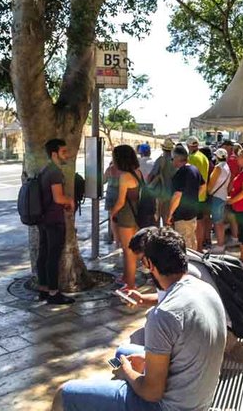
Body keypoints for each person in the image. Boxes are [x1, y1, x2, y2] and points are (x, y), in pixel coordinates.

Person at [52, 227, 227, 411]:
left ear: (149, 264)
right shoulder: (205, 288)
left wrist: (127, 371)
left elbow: (152, 393)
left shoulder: (163, 315)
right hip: (199, 396)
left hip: (170, 407)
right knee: (122, 353)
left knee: (64, 394)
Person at [37, 139, 76, 305]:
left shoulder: (44, 170)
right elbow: (58, 197)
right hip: (54, 220)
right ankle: (54, 293)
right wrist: (70, 201)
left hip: (44, 219)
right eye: (63, 151)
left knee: (44, 254)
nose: (66, 154)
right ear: (54, 153)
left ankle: (44, 289)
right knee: (53, 256)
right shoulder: (54, 172)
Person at [110, 144, 146, 291]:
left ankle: (130, 285)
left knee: (128, 250)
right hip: (137, 213)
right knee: (129, 249)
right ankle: (126, 277)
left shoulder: (125, 176)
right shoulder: (138, 172)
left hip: (126, 216)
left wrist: (112, 213)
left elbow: (120, 201)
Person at [167, 145, 205, 250]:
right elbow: (203, 185)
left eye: (172, 159)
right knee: (192, 239)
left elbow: (177, 195)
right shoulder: (194, 169)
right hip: (193, 211)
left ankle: (188, 265)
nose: (171, 161)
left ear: (177, 158)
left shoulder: (181, 173)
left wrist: (170, 214)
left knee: (184, 243)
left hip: (183, 214)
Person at [186, 136, 209, 251]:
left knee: (194, 225)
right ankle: (200, 247)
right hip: (203, 195)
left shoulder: (192, 158)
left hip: (195, 196)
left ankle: (196, 249)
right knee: (201, 223)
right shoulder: (204, 157)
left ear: (188, 146)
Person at [206, 149, 230, 253]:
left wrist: (207, 192)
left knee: (217, 222)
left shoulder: (218, 168)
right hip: (223, 195)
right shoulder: (226, 166)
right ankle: (221, 243)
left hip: (217, 197)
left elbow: (211, 185)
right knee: (220, 221)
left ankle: (220, 244)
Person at [147, 138, 176, 226]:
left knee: (156, 219)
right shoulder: (175, 161)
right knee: (167, 220)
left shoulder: (160, 160)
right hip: (171, 195)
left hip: (159, 194)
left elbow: (151, 175)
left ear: (163, 149)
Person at [103, 161, 121, 245]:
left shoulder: (109, 169)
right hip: (121, 194)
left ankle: (115, 239)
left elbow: (103, 181)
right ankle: (121, 238)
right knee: (122, 217)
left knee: (112, 218)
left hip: (110, 195)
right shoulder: (124, 170)